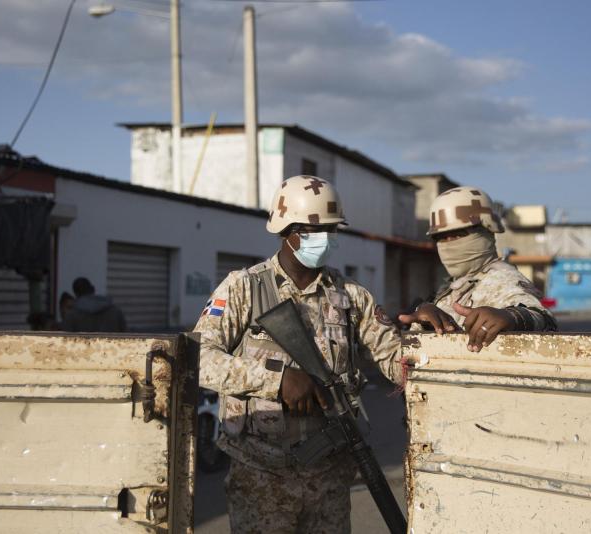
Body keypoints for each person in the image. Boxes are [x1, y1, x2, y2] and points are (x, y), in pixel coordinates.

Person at [193, 175, 455, 534]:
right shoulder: (244, 289)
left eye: (332, 230)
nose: (326, 239)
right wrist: (277, 380)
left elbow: (398, 366)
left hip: (330, 477)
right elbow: (199, 358)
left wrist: (422, 331)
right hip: (261, 476)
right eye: (314, 230)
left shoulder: (351, 297)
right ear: (287, 231)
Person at [411, 186, 557, 351]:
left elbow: (544, 320)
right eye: (441, 237)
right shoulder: (457, 285)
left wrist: (512, 317)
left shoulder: (502, 278)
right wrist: (425, 316)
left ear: (488, 230)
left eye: (458, 234)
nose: (449, 244)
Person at [61, 277, 127, 332]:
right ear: (93, 289)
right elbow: (126, 338)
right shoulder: (116, 312)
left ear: (76, 294)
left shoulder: (71, 316)